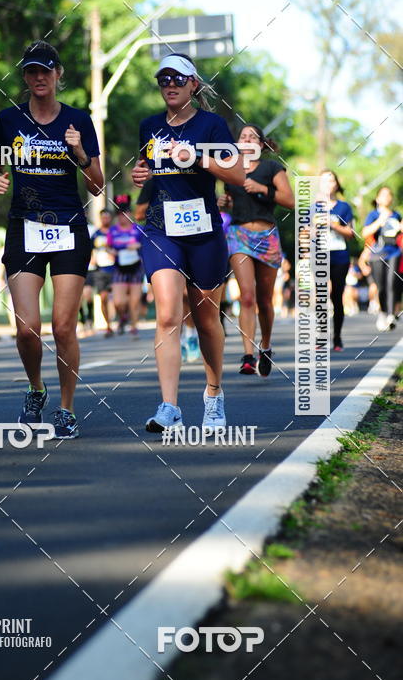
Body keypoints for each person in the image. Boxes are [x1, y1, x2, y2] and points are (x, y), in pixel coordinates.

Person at [0, 40, 104, 439]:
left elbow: (97, 186)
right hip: (24, 226)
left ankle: (66, 409)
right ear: (25, 77)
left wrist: (80, 153)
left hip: (69, 226)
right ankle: (36, 388)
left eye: (45, 71)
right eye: (31, 72)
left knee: (63, 327)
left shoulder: (78, 121)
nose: (38, 78)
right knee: (26, 329)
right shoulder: (8, 119)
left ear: (58, 75)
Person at [132, 52, 244, 432]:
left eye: (178, 79)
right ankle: (169, 407)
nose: (170, 86)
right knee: (166, 314)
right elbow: (150, 171)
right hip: (162, 230)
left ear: (194, 84)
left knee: (206, 318)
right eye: (164, 80)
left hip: (203, 231)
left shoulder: (212, 125)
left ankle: (214, 394)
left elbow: (238, 172)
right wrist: (140, 173)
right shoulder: (148, 125)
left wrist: (196, 156)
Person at [219, 124, 294, 377]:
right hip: (239, 235)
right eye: (243, 136)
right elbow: (228, 202)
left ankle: (265, 346)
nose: (247, 139)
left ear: (261, 145)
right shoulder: (230, 169)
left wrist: (263, 189)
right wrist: (223, 202)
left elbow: (290, 201)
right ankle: (248, 355)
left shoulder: (271, 168)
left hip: (267, 235)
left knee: (264, 299)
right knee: (247, 296)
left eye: (252, 136)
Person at [318, 169, 356, 351]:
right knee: (320, 296)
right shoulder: (312, 207)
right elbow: (303, 233)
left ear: (336, 184)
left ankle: (337, 337)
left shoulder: (344, 207)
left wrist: (332, 224)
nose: (328, 183)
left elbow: (351, 233)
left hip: (340, 255)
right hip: (319, 255)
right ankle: (321, 336)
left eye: (331, 180)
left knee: (337, 296)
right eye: (324, 180)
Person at [362, 186, 402, 331]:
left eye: (389, 194)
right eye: (383, 195)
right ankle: (383, 313)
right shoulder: (373, 214)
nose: (386, 197)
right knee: (381, 286)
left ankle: (391, 315)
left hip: (394, 252)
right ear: (377, 198)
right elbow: (365, 232)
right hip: (378, 253)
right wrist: (380, 221)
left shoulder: (396, 215)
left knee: (392, 283)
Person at [107, 194, 143, 337]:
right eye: (119, 214)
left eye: (125, 213)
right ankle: (123, 316)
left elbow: (146, 244)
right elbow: (108, 247)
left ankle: (134, 327)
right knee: (118, 302)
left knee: (134, 301)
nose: (122, 217)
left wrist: (137, 245)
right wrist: (112, 251)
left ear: (130, 213)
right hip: (119, 268)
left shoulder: (138, 229)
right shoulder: (113, 230)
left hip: (136, 267)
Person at [90, 208, 115, 336]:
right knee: (103, 298)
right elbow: (91, 248)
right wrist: (92, 258)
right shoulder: (96, 234)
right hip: (100, 270)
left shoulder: (115, 231)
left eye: (107, 217)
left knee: (117, 299)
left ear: (111, 218)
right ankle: (108, 326)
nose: (105, 219)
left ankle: (122, 318)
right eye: (103, 217)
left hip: (115, 269)